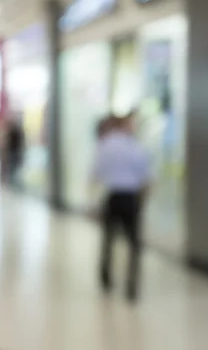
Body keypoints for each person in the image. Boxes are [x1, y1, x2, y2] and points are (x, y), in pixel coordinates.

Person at [92, 113, 151, 302]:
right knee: (134, 244)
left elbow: (95, 174)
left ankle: (106, 277)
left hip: (113, 196)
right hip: (131, 197)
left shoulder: (105, 145)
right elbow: (147, 178)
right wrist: (142, 201)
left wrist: (92, 203)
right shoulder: (135, 147)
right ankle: (132, 284)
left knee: (108, 239)